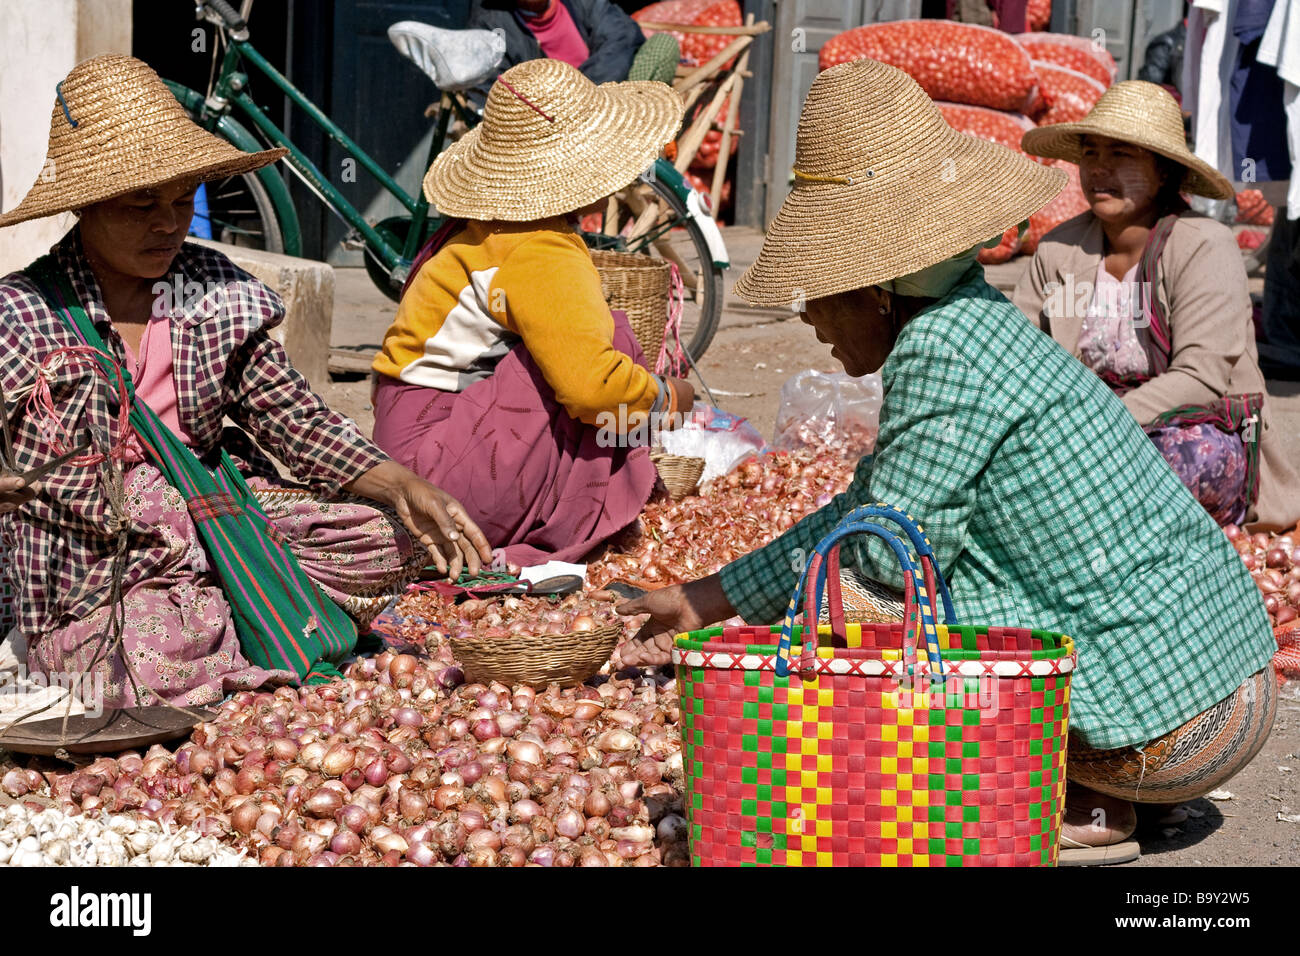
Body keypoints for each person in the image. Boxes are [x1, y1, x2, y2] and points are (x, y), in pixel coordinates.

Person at [616, 59, 1278, 865]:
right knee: (887, 555)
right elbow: (864, 512)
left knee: (875, 594)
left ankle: (1094, 790)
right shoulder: (967, 322)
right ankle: (1109, 778)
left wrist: (764, 684)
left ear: (879, 289)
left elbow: (875, 559)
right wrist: (697, 601)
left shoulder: (942, 352)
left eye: (822, 294)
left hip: (1180, 729)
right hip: (1223, 688)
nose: (814, 321)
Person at [0, 55, 491, 708]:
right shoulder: (22, 316)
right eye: (142, 203)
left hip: (220, 502)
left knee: (397, 539)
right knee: (148, 651)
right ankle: (220, 612)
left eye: (181, 201)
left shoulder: (216, 292)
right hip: (105, 549)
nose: (168, 224)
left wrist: (399, 482)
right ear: (86, 206)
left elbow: (299, 423)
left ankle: (225, 598)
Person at [371, 58, 693, 566]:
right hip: (444, 483)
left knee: (586, 349)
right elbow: (591, 388)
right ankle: (577, 512)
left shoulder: (477, 226)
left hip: (401, 455)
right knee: (611, 348)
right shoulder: (541, 247)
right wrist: (666, 398)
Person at [1012, 80, 1300, 531]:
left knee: (1177, 461)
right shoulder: (1059, 250)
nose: (1099, 169)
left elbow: (1200, 376)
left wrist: (1099, 426)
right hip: (1076, 434)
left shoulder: (1203, 245)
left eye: (1121, 154)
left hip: (1186, 429)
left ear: (1163, 171)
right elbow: (1019, 358)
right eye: (1090, 152)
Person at [466, 0, 679, 104]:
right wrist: (560, 104)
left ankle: (631, 135)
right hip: (553, 118)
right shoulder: (491, 23)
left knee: (662, 45)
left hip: (609, 96)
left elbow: (621, 36)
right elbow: (495, 88)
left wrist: (582, 93)